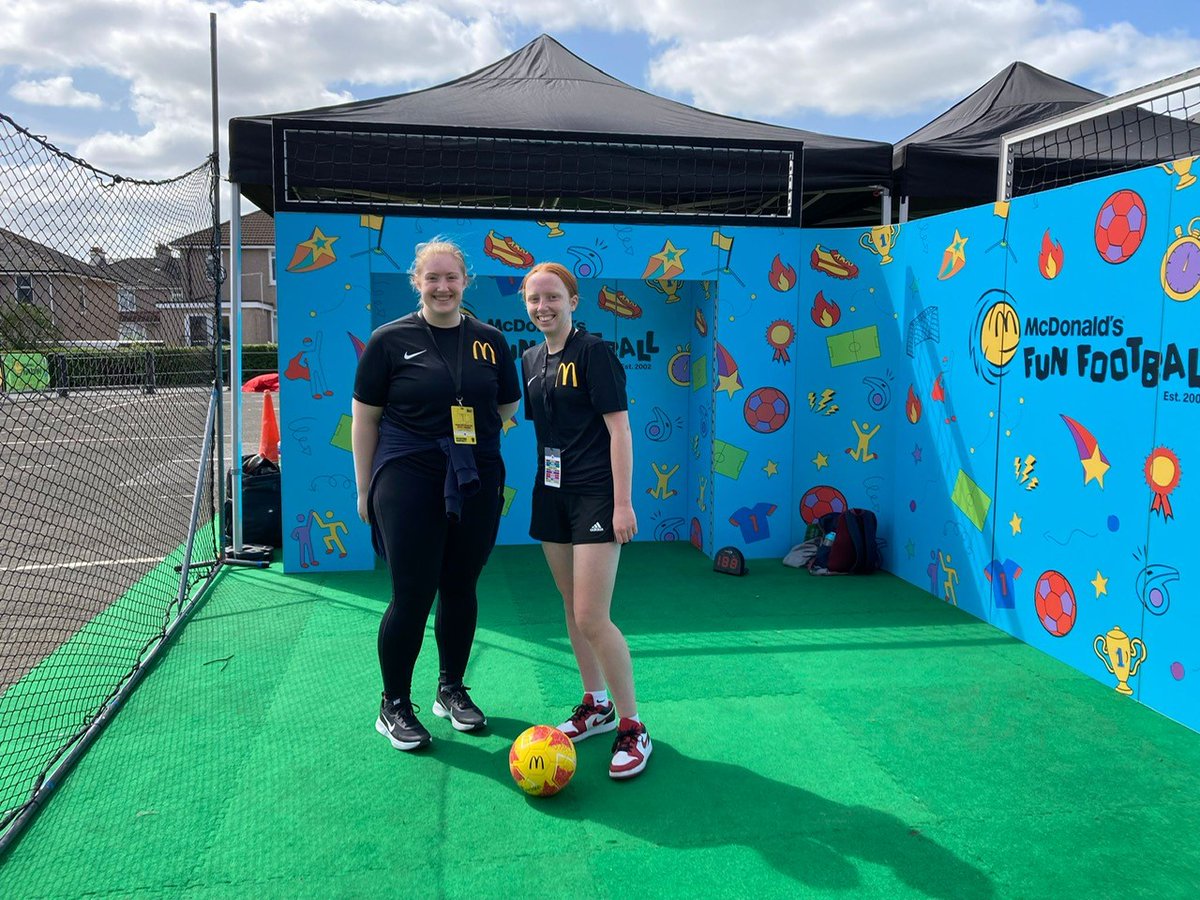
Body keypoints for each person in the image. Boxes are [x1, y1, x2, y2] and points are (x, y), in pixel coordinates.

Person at [352, 238, 520, 751]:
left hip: (474, 476)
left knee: (461, 585)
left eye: (451, 277)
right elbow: (366, 420)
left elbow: (509, 405)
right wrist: (365, 489)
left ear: (466, 280)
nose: (443, 286)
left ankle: (450, 690)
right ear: (417, 283)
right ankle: (394, 704)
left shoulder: (490, 339)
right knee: (412, 593)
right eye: (432, 278)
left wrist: (471, 446)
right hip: (407, 473)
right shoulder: (388, 339)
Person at [520, 262, 652, 779]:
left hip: (597, 497)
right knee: (573, 613)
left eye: (552, 296)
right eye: (533, 299)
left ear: (573, 300)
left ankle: (632, 726)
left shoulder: (595, 352)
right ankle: (595, 704)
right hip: (550, 495)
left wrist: (623, 504)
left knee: (594, 617)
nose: (542, 306)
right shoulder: (530, 358)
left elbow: (620, 431)